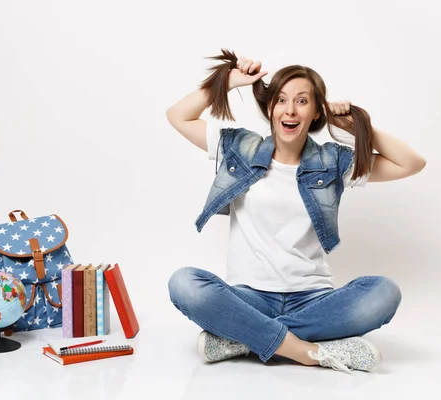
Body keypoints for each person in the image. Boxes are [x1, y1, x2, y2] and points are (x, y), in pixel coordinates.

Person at [165, 49, 426, 374]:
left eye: (303, 101)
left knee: (384, 292)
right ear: (271, 107)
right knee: (184, 283)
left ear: (316, 112)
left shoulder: (334, 162)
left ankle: (243, 339)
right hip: (249, 298)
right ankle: (307, 350)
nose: (291, 109)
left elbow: (412, 163)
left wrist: (355, 126)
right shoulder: (239, 148)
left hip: (313, 299)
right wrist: (230, 81)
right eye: (282, 100)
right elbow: (177, 115)